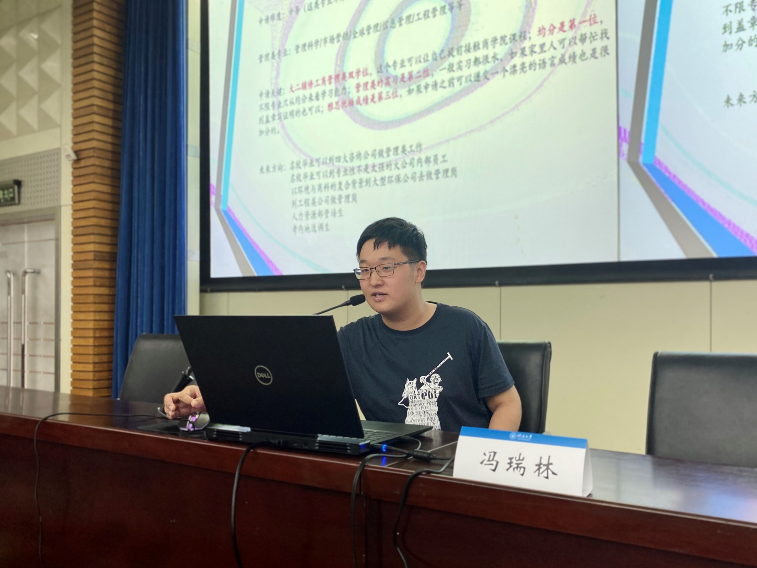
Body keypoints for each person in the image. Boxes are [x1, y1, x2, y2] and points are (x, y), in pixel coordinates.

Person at [164, 218, 521, 432]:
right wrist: (207, 398)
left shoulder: (464, 327)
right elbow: (287, 390)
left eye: (386, 267)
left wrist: (482, 463)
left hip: (458, 471)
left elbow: (507, 404)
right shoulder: (352, 339)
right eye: (364, 270)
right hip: (389, 469)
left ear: (419, 271)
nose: (373, 280)